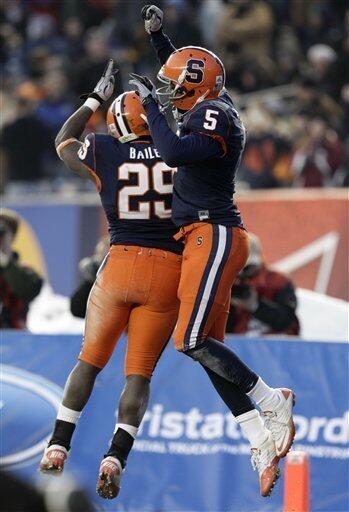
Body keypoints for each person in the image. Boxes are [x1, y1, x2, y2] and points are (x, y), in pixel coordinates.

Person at [129, 5, 296, 497]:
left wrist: (155, 110)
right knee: (206, 349)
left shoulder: (214, 113)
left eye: (177, 89)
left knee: (191, 340)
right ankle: (259, 437)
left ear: (199, 92)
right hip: (203, 234)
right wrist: (161, 40)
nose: (169, 95)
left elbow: (176, 151)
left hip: (213, 231)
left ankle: (271, 401)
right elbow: (187, 72)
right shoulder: (208, 104)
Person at [39, 60, 183, 500]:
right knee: (137, 376)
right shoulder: (181, 154)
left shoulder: (104, 149)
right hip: (167, 270)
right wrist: (166, 108)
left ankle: (58, 444)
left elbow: (63, 143)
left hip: (119, 263)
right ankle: (115, 456)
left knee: (89, 362)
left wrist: (92, 99)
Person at [226, 233, 300, 335]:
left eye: (247, 267)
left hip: (275, 345)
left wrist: (256, 306)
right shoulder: (227, 283)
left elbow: (288, 321)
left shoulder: (279, 282)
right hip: (239, 345)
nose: (242, 273)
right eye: (238, 267)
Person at [0, 209, 43, 329]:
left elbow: (28, 291)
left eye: (2, 233)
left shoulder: (26, 272)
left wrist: (6, 262)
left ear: (12, 237)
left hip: (14, 341)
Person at [70, 237, 109, 319]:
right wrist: (90, 280)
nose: (102, 263)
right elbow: (77, 310)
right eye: (101, 258)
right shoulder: (94, 276)